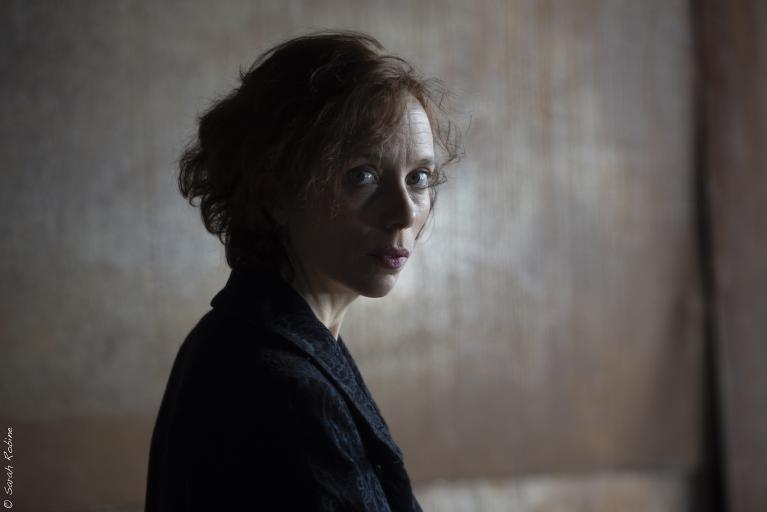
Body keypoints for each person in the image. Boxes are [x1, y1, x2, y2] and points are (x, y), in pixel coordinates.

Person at [145, 30, 461, 511]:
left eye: (419, 177)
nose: (403, 213)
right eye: (362, 175)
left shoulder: (252, 339)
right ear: (274, 192)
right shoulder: (282, 386)